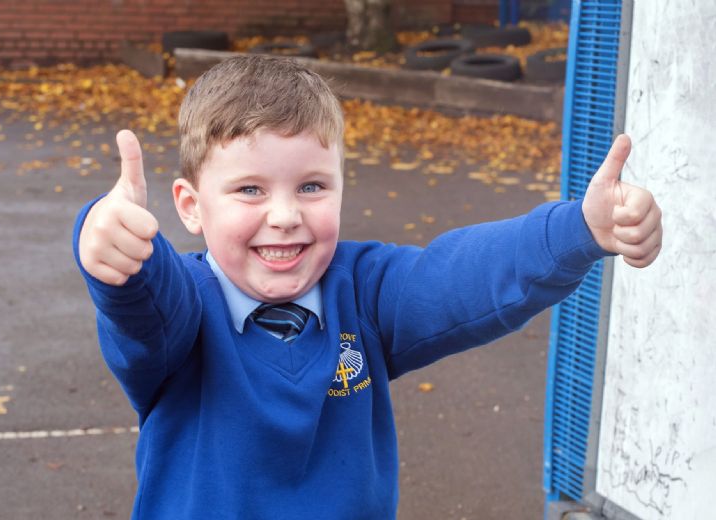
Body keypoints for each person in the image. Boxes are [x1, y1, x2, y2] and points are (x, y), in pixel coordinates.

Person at [74, 56, 662, 519]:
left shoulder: (363, 289)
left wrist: (578, 229)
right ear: (190, 206)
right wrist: (118, 251)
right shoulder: (180, 308)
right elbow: (147, 307)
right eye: (250, 190)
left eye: (311, 186)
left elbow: (461, 276)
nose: (285, 216)